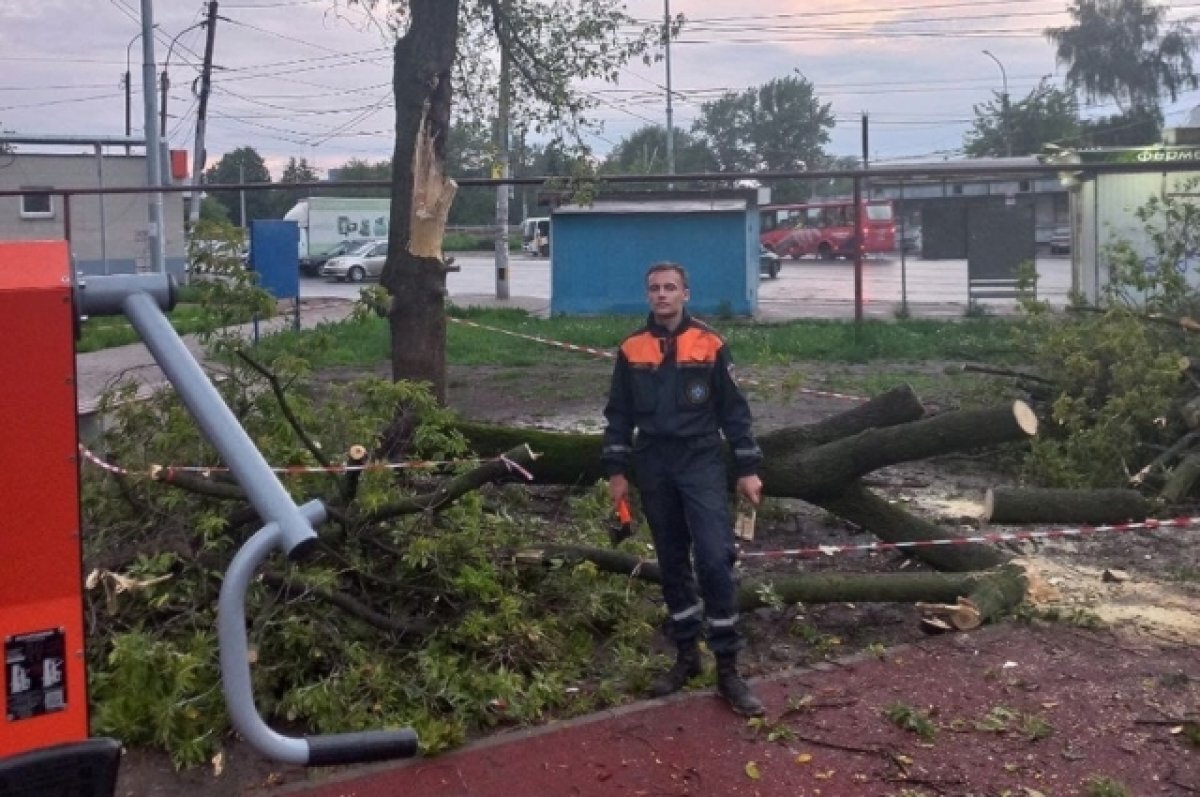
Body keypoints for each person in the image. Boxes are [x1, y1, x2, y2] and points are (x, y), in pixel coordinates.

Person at [601, 261, 765, 717]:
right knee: (672, 562)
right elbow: (618, 414)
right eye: (654, 288)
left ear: (686, 294)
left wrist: (748, 467)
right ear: (647, 295)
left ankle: (728, 669)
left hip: (700, 460)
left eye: (670, 287)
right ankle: (687, 658)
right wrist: (616, 471)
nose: (662, 295)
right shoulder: (631, 348)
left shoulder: (710, 344)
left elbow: (734, 411)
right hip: (653, 462)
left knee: (714, 558)